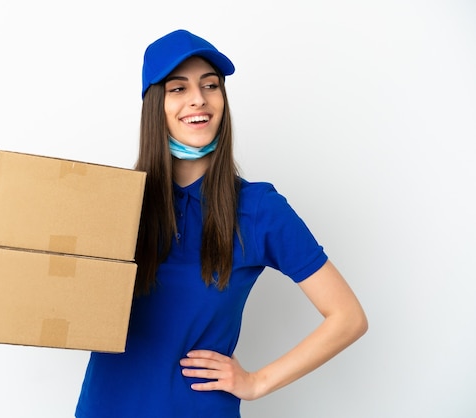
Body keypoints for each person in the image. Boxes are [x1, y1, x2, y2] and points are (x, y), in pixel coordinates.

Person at [75, 29, 368, 418]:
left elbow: (348, 317)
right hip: (105, 407)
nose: (198, 98)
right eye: (178, 88)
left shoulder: (259, 209)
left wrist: (258, 382)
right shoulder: (117, 203)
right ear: (154, 106)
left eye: (210, 85)